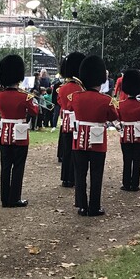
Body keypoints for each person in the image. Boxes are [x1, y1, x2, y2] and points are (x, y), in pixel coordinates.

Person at [67, 55, 118, 216]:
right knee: (96, 174)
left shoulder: (75, 97)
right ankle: (94, 206)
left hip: (79, 140)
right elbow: (112, 116)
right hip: (97, 141)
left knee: (80, 174)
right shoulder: (106, 99)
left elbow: (69, 107)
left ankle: (82, 206)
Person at [0, 54, 39, 208]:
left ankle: (4, 198)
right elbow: (35, 111)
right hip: (20, 135)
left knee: (5, 167)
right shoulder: (24, 97)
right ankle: (15, 198)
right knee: (18, 166)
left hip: (5, 135)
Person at [117, 69, 140, 191]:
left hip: (125, 136)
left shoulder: (120, 105)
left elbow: (117, 120)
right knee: (137, 161)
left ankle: (126, 183)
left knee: (127, 160)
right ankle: (135, 184)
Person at [57, 52, 85, 187]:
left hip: (65, 122)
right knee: (74, 151)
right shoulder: (79, 87)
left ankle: (65, 178)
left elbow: (60, 102)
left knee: (66, 151)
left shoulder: (62, 88)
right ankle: (71, 177)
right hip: (75, 122)